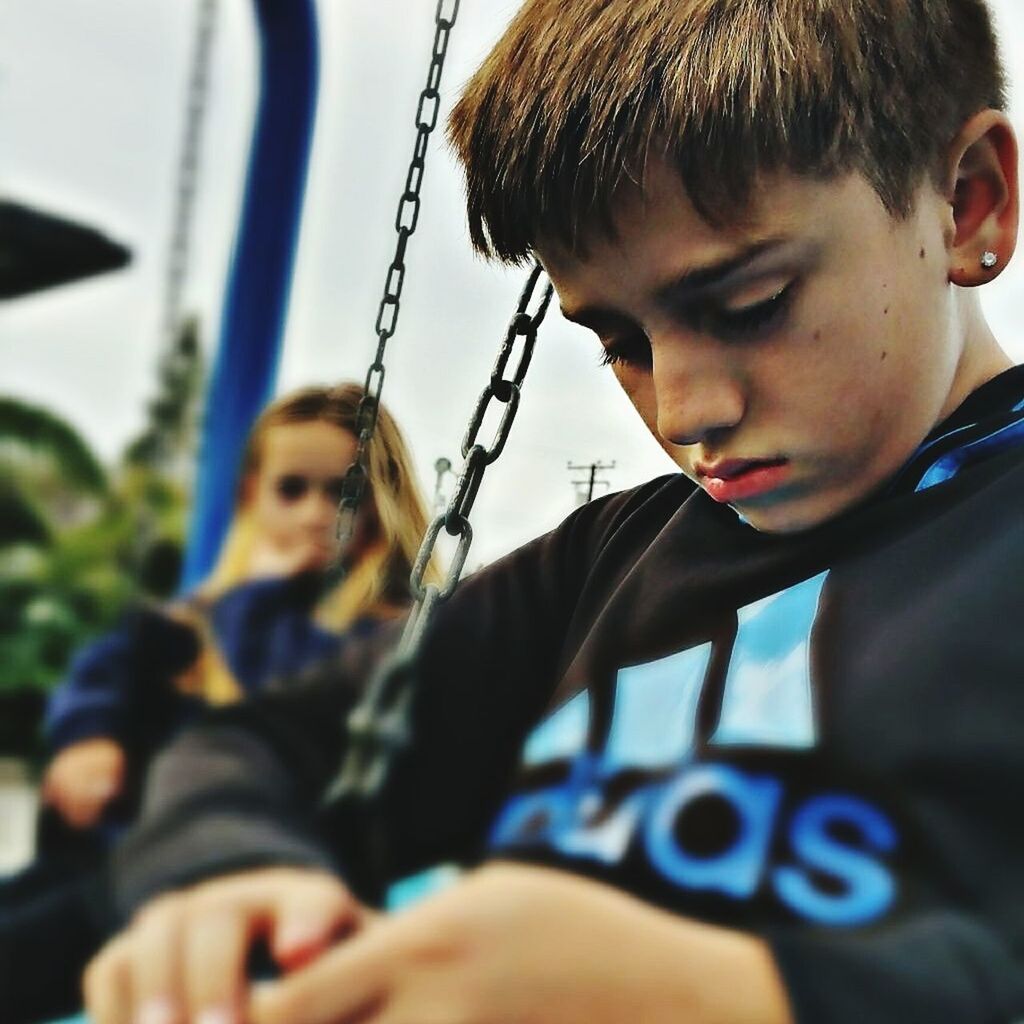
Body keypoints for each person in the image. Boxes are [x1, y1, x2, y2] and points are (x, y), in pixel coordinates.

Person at [83, 1, 1024, 1023]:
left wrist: (735, 996)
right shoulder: (606, 561)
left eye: (747, 306)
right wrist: (233, 872)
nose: (682, 408)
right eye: (619, 340)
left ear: (965, 204)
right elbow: (264, 742)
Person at [0, 382, 438, 1022]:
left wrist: (263, 596)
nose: (317, 512)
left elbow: (285, 701)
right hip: (131, 863)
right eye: (292, 490)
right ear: (253, 498)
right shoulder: (195, 626)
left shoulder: (386, 634)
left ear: (384, 500)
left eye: (344, 490)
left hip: (278, 878)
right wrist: (88, 735)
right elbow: (110, 665)